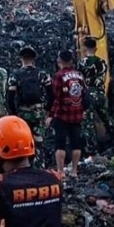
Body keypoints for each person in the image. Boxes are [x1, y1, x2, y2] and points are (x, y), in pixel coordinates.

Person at [6, 47, 52, 166]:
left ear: (21, 59)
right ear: (34, 59)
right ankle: (40, 167)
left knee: (24, 140)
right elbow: (51, 95)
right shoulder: (42, 74)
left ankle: (25, 167)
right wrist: (47, 111)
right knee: (39, 140)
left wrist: (14, 114)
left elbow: (10, 98)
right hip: (38, 112)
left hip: (23, 113)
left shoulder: (16, 75)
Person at [45, 50, 86, 178]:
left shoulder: (58, 76)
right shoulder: (79, 75)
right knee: (76, 143)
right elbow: (85, 94)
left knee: (60, 143)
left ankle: (60, 171)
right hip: (77, 114)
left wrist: (50, 114)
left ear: (59, 61)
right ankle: (74, 171)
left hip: (62, 114)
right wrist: (83, 110)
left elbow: (55, 97)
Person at [78, 36, 113, 154]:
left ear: (85, 48)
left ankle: (92, 150)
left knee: (88, 123)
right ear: (96, 48)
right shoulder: (102, 62)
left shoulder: (82, 63)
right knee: (107, 118)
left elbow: (80, 80)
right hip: (100, 94)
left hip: (88, 95)